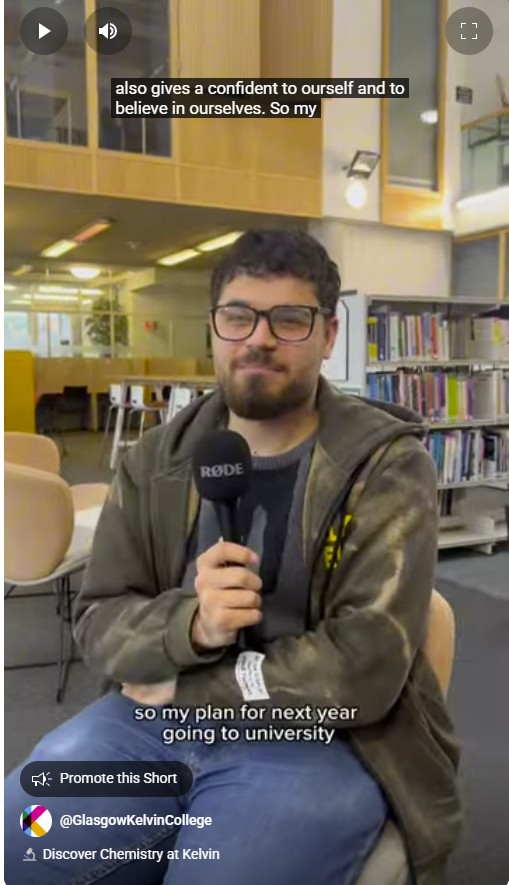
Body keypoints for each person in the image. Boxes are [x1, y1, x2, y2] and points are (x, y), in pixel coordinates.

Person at [5, 230, 462, 885]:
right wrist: (189, 626)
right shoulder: (153, 460)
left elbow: (364, 667)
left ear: (329, 334)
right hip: (147, 727)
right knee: (21, 843)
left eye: (290, 319)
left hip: (320, 737)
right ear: (214, 327)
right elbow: (100, 618)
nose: (259, 338)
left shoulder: (385, 466)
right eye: (238, 315)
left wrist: (189, 687)